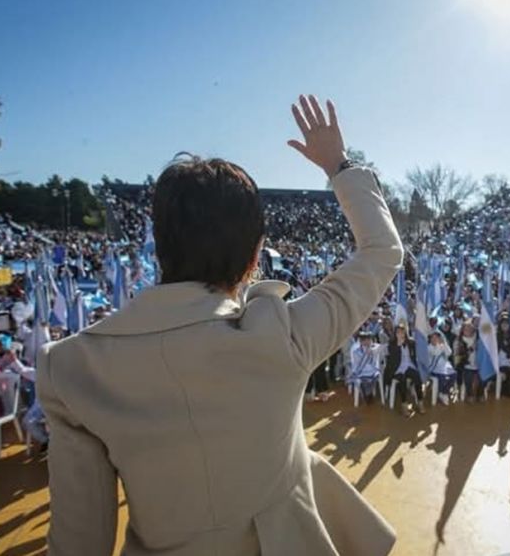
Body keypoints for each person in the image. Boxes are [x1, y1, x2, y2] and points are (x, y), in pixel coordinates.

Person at [37, 96, 401, 556]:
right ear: (254, 256)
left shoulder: (70, 366)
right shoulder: (280, 334)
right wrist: (338, 165)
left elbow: (78, 544)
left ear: (160, 245)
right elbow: (382, 252)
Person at [385, 324, 423, 415]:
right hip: (397, 368)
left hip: (409, 366)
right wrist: (398, 345)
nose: (401, 334)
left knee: (418, 377)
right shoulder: (391, 344)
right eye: (398, 332)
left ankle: (420, 402)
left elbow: (418, 351)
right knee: (402, 380)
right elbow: (393, 359)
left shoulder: (410, 342)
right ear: (395, 334)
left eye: (402, 332)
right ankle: (404, 404)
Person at [426, 329, 456, 405]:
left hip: (444, 367)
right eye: (433, 337)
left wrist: (444, 344)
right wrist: (440, 346)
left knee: (454, 375)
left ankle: (444, 392)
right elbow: (435, 353)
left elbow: (449, 353)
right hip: (433, 368)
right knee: (443, 377)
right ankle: (441, 392)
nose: (435, 339)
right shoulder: (428, 347)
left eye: (436, 337)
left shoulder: (442, 345)